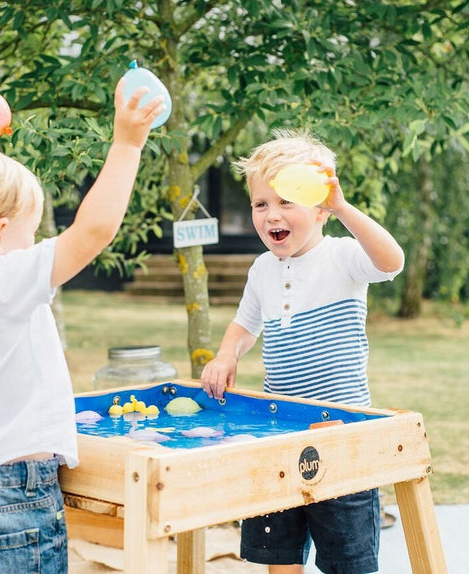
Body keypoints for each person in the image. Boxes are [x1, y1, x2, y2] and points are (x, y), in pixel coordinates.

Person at [0, 79, 165, 573]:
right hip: (13, 500)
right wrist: (127, 143)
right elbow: (93, 231)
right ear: (1, 235)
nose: (36, 242)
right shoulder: (1, 282)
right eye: (31, 231)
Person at [199, 129, 404, 574]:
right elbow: (244, 324)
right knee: (279, 550)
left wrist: (344, 207)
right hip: (280, 430)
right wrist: (226, 354)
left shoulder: (343, 257)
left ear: (319, 207)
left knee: (347, 557)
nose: (271, 214)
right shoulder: (261, 270)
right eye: (260, 204)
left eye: (286, 201)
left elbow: (391, 262)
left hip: (342, 432)